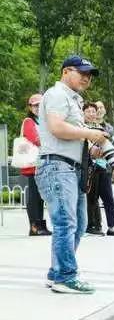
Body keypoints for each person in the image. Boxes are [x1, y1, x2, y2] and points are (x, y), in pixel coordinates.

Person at [36, 55, 109, 294]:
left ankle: (56, 272)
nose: (87, 78)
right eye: (82, 73)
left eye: (89, 75)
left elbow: (71, 135)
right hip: (57, 166)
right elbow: (57, 128)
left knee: (78, 224)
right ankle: (65, 276)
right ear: (66, 71)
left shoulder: (73, 100)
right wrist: (88, 134)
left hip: (71, 168)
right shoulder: (57, 94)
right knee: (66, 223)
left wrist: (92, 147)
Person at [82, 103, 114, 236]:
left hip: (104, 167)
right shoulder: (81, 128)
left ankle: (111, 227)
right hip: (90, 167)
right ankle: (91, 226)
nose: (91, 114)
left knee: (108, 197)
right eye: (88, 111)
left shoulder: (104, 129)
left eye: (93, 111)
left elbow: (112, 148)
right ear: (83, 114)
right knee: (92, 197)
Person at [20, 94, 50, 236]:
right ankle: (34, 227)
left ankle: (40, 226)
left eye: (40, 105)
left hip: (41, 163)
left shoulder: (42, 122)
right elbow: (36, 140)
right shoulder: (29, 121)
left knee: (39, 195)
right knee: (34, 195)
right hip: (33, 163)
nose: (38, 108)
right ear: (30, 107)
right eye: (35, 105)